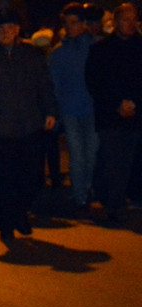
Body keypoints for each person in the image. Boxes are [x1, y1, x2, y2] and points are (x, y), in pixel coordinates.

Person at [0, 9, 58, 242]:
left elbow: (44, 85)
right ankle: (7, 222)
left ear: (17, 30)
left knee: (31, 177)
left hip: (29, 125)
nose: (6, 32)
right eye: (2, 29)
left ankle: (21, 211)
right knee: (2, 179)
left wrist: (49, 111)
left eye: (11, 28)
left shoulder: (31, 55)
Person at [85, 2, 142, 223]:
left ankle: (116, 200)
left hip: (135, 114)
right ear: (116, 22)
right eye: (125, 19)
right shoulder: (101, 50)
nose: (130, 24)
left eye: (133, 19)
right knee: (112, 159)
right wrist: (117, 103)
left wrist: (134, 103)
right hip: (110, 115)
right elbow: (96, 83)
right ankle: (113, 203)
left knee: (127, 160)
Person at [50, 2, 100, 214]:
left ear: (84, 24)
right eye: (67, 23)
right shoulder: (60, 53)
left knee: (92, 152)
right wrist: (54, 113)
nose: (70, 27)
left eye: (74, 22)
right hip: (70, 109)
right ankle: (80, 195)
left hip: (92, 108)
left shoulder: (95, 47)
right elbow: (54, 84)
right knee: (78, 153)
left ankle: (86, 189)